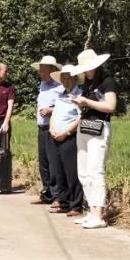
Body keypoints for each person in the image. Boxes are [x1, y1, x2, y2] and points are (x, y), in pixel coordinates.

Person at [70, 49, 117, 229]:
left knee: (96, 170)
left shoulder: (107, 82)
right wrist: (78, 102)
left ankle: (99, 214)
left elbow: (111, 106)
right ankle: (91, 210)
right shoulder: (86, 84)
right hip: (84, 126)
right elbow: (87, 106)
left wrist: (87, 102)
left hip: (99, 127)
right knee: (83, 171)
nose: (85, 72)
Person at [48, 65, 85, 217]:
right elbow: (54, 114)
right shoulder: (60, 95)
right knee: (58, 171)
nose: (65, 80)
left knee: (72, 172)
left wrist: (66, 132)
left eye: (68, 77)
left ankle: (76, 205)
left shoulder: (80, 95)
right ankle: (63, 201)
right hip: (55, 136)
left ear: (75, 78)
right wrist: (51, 128)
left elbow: (80, 117)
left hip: (70, 136)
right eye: (63, 78)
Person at [32, 55, 64, 206]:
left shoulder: (60, 86)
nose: (40, 73)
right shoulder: (42, 85)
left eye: (43, 70)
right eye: (40, 70)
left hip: (54, 128)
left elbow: (66, 104)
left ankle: (57, 196)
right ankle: (47, 193)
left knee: (54, 163)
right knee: (43, 163)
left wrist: (51, 110)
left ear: (52, 70)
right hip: (41, 128)